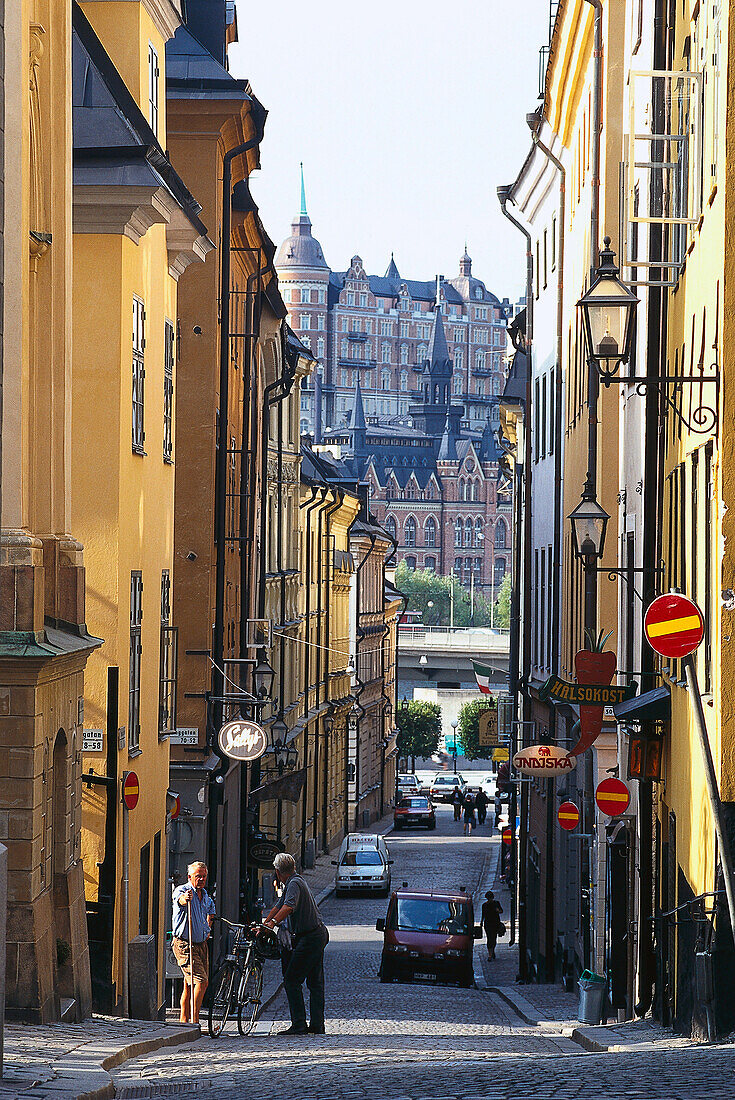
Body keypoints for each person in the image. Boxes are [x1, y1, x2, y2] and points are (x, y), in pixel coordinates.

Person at [264, 852, 329, 1036]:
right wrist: (265, 924)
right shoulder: (294, 881)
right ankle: (317, 1025)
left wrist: (273, 923)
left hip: (310, 937)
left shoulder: (294, 884)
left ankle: (299, 1024)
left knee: (292, 980)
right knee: (315, 982)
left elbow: (288, 907)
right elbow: (278, 906)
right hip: (316, 934)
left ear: (278, 872)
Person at [171, 860, 215, 1024]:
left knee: (189, 984)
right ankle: (194, 1022)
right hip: (185, 944)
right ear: (190, 877)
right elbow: (179, 900)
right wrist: (185, 899)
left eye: (204, 876)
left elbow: (211, 911)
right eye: (198, 876)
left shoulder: (205, 896)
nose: (202, 879)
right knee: (201, 982)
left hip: (201, 944)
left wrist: (208, 927)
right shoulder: (182, 890)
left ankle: (184, 1019)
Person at [481, 890, 504, 959]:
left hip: (495, 923)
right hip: (488, 924)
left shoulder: (496, 903)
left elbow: (501, 911)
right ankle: (490, 954)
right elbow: (483, 914)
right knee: (489, 938)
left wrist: (498, 910)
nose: (490, 899)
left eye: (490, 898)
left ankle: (492, 951)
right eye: (488, 898)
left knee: (493, 938)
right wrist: (481, 922)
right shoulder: (484, 905)